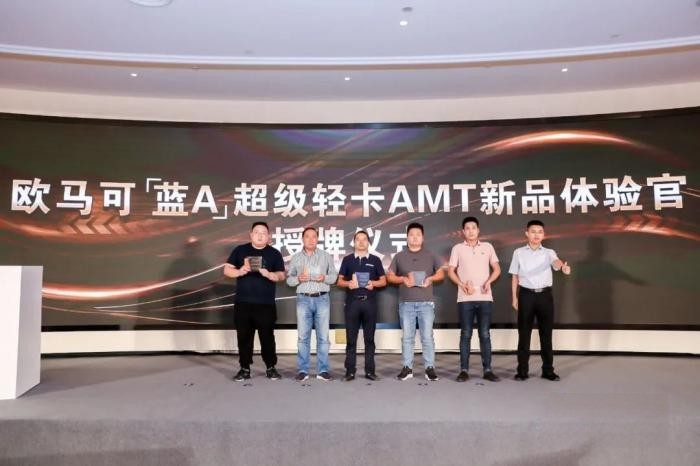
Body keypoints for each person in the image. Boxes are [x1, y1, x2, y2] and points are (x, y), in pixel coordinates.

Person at [509, 219, 571, 382]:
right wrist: (515, 297)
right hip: (526, 295)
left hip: (545, 296)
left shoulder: (549, 252)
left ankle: (548, 370)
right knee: (524, 335)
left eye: (540, 232)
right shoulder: (518, 252)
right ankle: (522, 371)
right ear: (527, 233)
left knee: (546, 335)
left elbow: (556, 263)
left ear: (544, 235)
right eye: (533, 231)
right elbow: (514, 276)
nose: (536, 235)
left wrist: (562, 266)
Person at [223, 221, 285, 382]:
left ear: (268, 236)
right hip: (243, 302)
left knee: (267, 337)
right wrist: (240, 271)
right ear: (251, 234)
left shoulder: (274, 253)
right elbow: (227, 270)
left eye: (263, 233)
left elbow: (281, 275)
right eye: (257, 232)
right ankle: (244, 368)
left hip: (266, 304)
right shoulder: (240, 250)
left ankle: (271, 367)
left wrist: (269, 274)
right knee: (244, 337)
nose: (260, 235)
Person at [387, 222, 445, 381]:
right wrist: (403, 279)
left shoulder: (431, 255)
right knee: (407, 337)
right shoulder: (399, 256)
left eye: (418, 235)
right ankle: (407, 368)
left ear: (422, 237)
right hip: (406, 304)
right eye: (411, 235)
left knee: (427, 337)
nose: (414, 237)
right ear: (407, 238)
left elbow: (441, 274)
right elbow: (390, 276)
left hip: (426, 303)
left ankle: (429, 368)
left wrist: (431, 278)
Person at [447, 216, 501, 382]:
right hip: (465, 298)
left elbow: (497, 269)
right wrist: (462, 284)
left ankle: (488, 370)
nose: (471, 231)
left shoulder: (488, 247)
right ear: (463, 232)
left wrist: (489, 282)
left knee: (484, 334)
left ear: (478, 230)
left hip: (485, 297)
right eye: (467, 228)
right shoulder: (457, 248)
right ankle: (464, 370)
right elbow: (450, 271)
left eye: (473, 228)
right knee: (466, 334)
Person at [286, 227, 338, 382]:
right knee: (303, 337)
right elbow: (289, 280)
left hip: (322, 298)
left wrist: (324, 278)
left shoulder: (326, 256)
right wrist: (298, 279)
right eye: (307, 236)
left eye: (314, 236)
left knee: (323, 337)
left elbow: (334, 277)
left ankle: (323, 370)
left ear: (317, 239)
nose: (310, 239)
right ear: (302, 239)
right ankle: (303, 370)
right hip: (303, 299)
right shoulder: (296, 258)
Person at [337, 230, 387, 381]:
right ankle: (350, 371)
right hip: (352, 303)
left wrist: (373, 283)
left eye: (364, 239)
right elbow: (339, 281)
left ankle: (370, 371)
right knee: (351, 339)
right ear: (354, 242)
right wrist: (348, 284)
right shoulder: (347, 260)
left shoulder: (375, 260)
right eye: (358, 239)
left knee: (369, 340)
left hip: (369, 303)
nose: (361, 242)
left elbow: (383, 281)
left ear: (368, 242)